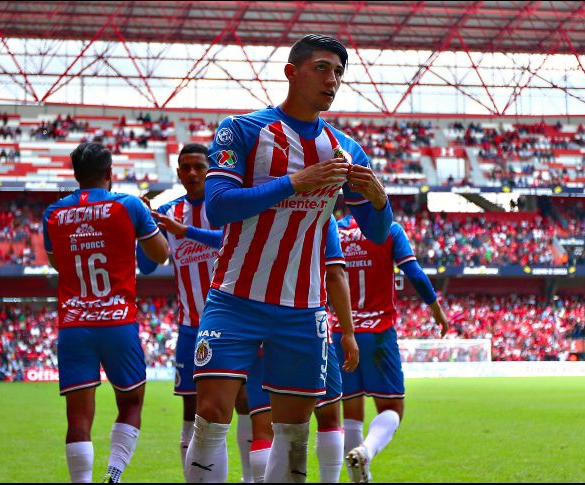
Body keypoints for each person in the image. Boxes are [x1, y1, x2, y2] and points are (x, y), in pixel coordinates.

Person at [185, 34, 393, 483]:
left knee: (294, 433)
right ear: (291, 71)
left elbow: (377, 235)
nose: (332, 79)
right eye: (321, 67)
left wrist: (379, 201)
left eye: (338, 72)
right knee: (212, 413)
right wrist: (295, 182)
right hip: (235, 298)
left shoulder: (345, 150)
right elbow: (219, 206)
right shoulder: (240, 130)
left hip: (302, 310)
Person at [43, 142, 170, 483]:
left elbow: (58, 264)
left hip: (73, 323)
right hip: (117, 321)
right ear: (110, 174)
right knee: (130, 403)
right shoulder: (128, 205)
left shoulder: (53, 213)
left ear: (75, 175)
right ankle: (113, 476)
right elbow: (160, 254)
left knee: (78, 419)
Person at [136, 143, 254, 482]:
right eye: (184, 167)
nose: (191, 173)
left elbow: (228, 241)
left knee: (243, 401)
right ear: (177, 172)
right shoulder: (171, 212)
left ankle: (248, 477)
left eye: (198, 167)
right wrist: (146, 227)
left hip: (234, 325)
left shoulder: (227, 207)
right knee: (193, 412)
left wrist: (184, 232)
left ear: (210, 169)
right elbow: (147, 265)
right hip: (192, 328)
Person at [334, 213, 449, 483]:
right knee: (393, 409)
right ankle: (366, 450)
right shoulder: (390, 230)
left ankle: (359, 478)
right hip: (377, 333)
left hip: (341, 332)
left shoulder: (334, 231)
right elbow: (415, 274)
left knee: (351, 411)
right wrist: (436, 308)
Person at [245, 216, 359, 483]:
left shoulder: (253, 208)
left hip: (256, 324)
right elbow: (333, 273)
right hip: (308, 323)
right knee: (329, 416)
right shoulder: (321, 215)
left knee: (264, 428)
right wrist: (349, 332)